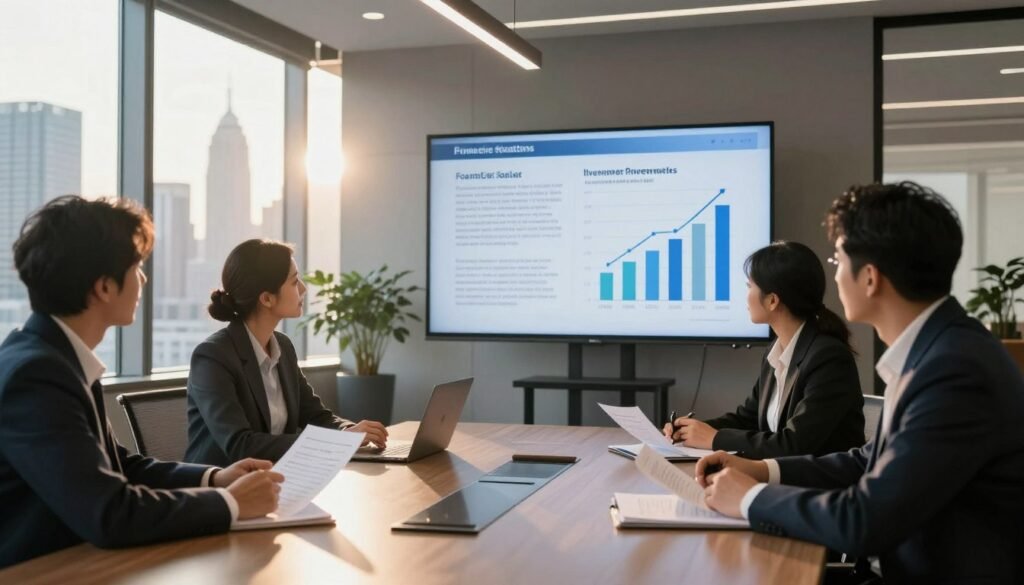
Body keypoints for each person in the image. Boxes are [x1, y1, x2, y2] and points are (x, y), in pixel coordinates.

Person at [697, 182, 1024, 583]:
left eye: (838, 262)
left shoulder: (955, 371)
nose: (834, 279)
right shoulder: (939, 350)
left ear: (869, 278)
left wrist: (749, 497)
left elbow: (864, 519)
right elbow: (865, 461)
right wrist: (761, 470)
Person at [0, 196, 283, 568]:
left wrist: (215, 478)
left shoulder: (58, 358)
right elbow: (111, 513)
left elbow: (121, 467)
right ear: (103, 287)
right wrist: (232, 504)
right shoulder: (36, 375)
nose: (144, 279)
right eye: (136, 267)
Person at [185, 239, 388, 466]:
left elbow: (314, 415)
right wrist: (334, 442)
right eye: (294, 282)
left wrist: (350, 430)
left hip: (276, 479)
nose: (303, 288)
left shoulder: (283, 347)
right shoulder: (213, 357)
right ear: (267, 298)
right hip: (221, 490)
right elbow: (241, 445)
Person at [663, 241, 865, 459]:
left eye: (750, 286)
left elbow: (795, 444)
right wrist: (691, 430)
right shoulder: (777, 352)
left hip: (820, 487)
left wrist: (713, 438)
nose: (746, 295)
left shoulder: (828, 358)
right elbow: (747, 419)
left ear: (772, 300)